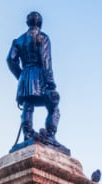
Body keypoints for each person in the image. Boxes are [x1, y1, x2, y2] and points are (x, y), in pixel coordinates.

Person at [7, 11, 61, 145]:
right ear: (41, 23)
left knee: (28, 105)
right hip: (39, 76)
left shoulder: (18, 40)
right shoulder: (43, 37)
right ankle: (50, 135)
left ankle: (28, 134)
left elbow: (10, 60)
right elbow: (46, 60)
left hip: (25, 76)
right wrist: (50, 82)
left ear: (27, 23)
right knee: (53, 105)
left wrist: (21, 76)